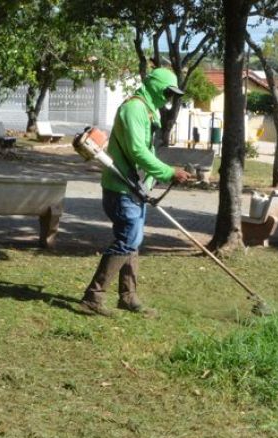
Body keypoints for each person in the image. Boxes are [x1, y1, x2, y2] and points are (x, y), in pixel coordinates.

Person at [79, 68, 192, 317]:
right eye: (167, 91)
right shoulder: (134, 109)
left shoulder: (147, 110)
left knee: (132, 241)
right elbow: (137, 152)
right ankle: (93, 297)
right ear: (154, 86)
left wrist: (151, 182)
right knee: (129, 240)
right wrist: (168, 172)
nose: (168, 98)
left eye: (172, 94)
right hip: (120, 188)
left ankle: (128, 296)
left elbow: (144, 155)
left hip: (134, 188)